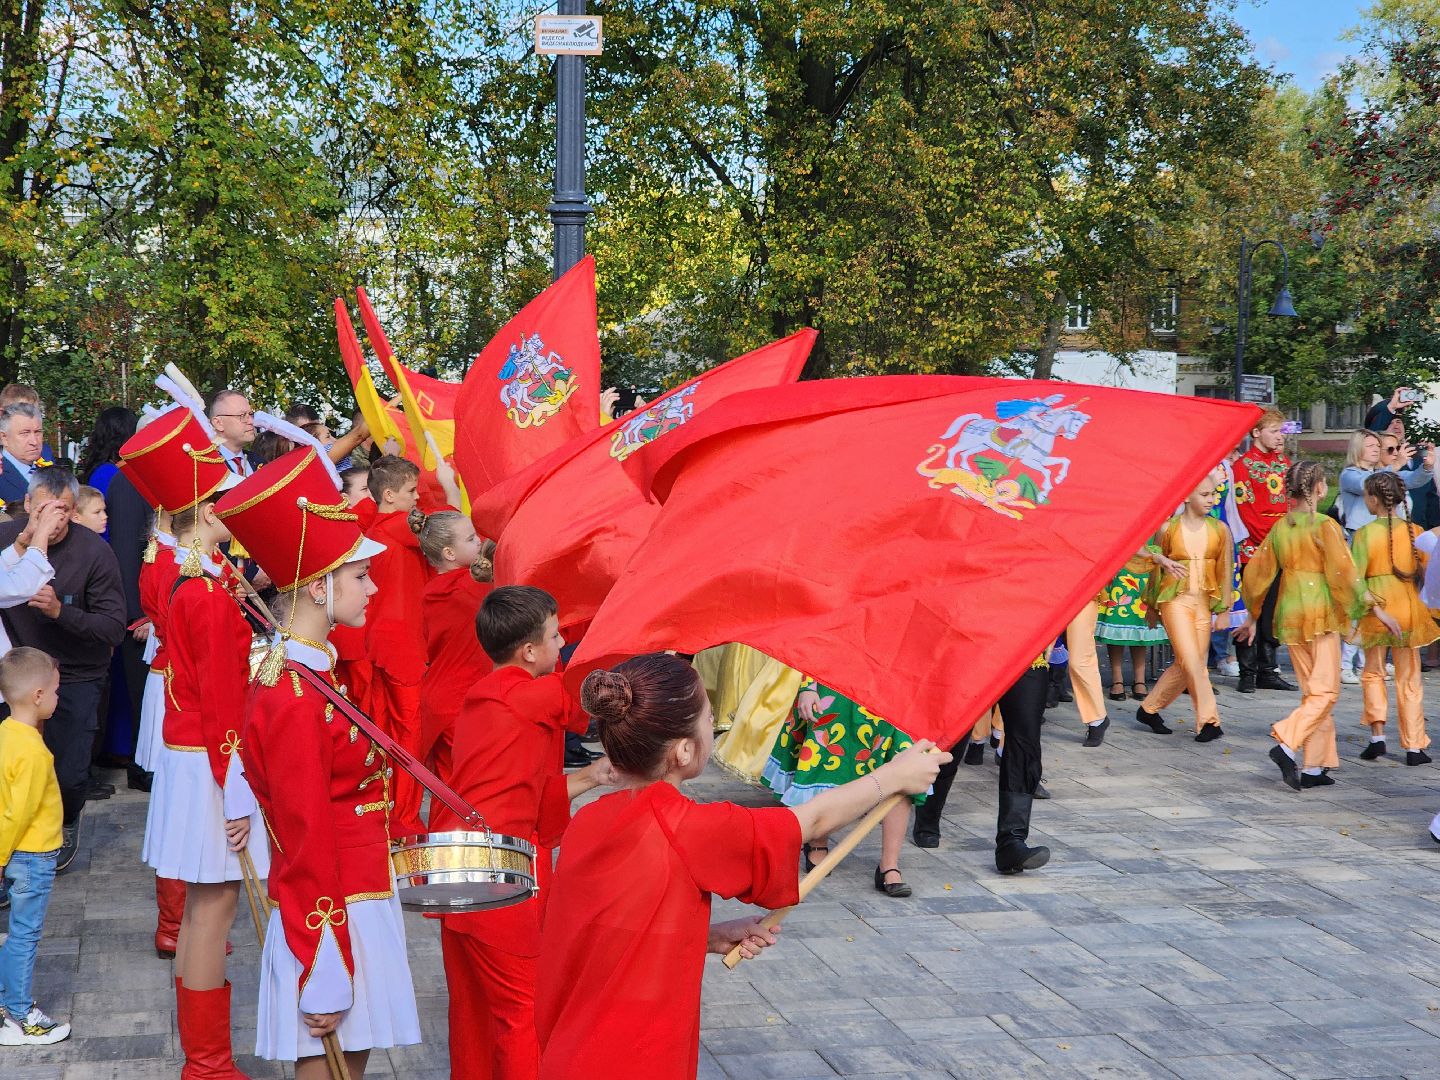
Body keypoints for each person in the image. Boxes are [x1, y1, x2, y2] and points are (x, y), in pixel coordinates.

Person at [534, 653, 946, 1079]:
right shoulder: (688, 826)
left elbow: (607, 933)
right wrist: (892, 777)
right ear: (684, 750)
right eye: (708, 716)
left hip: (572, 1045)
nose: (712, 723)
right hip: (635, 1055)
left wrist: (703, 936)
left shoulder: (589, 821)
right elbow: (810, 822)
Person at [216, 444, 420, 1079]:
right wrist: (321, 958)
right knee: (330, 1064)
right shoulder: (296, 693)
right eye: (360, 576)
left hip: (359, 884)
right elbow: (302, 831)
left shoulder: (311, 672)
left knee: (350, 1059)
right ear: (317, 586)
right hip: (335, 902)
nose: (373, 587)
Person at [117, 404, 265, 1075]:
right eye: (226, 499)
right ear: (205, 512)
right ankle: (207, 1064)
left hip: (199, 755)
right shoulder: (202, 592)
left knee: (211, 907)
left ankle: (205, 1061)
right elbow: (222, 701)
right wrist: (238, 790)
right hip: (211, 759)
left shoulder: (201, 578)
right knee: (213, 910)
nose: (235, 508)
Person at [430, 585, 612, 1080]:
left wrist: (592, 776)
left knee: (472, 1008)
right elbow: (594, 692)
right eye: (555, 637)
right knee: (524, 1012)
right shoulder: (532, 695)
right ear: (529, 651)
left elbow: (517, 793)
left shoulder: (487, 694)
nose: (562, 644)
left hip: (456, 861)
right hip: (496, 868)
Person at [1240, 462, 1400, 791]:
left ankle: (1314, 766)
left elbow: (1257, 574)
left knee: (1313, 693)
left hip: (1290, 612)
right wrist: (1375, 608)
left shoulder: (1282, 526)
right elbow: (1345, 573)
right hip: (1319, 612)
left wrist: (1253, 616)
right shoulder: (1324, 525)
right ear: (1319, 489)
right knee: (1325, 691)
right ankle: (1287, 740)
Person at [0, 468, 124, 871]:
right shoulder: (10, 539)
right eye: (42, 511)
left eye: (62, 512)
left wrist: (60, 612)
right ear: (27, 506)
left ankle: (68, 819)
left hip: (73, 674)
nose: (51, 522)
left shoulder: (94, 552)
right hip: (16, 678)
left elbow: (112, 627)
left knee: (69, 773)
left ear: (73, 512)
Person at [363, 454, 461, 835]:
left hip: (381, 646)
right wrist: (449, 488)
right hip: (405, 651)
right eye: (410, 491)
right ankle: (403, 820)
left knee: (389, 735)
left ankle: (391, 813)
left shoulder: (376, 527)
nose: (417, 497)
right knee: (409, 739)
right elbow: (451, 534)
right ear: (389, 495)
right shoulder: (400, 525)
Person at [762, 682, 922, 896]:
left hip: (894, 687)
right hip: (837, 685)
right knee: (825, 764)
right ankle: (817, 842)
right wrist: (808, 687)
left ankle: (889, 865)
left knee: (903, 767)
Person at [0, 648, 70, 1046]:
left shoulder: (6, 733)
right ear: (38, 695)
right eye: (56, 690)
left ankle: (6, 1003)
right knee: (25, 935)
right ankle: (20, 1014)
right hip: (32, 856)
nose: (59, 697)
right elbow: (19, 812)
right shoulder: (32, 750)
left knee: (16, 934)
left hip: (18, 854)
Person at [1350, 471, 1440, 765]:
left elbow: (1355, 579)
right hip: (1409, 609)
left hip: (1379, 608)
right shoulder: (1416, 530)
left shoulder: (1364, 534)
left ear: (1374, 500)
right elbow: (1429, 572)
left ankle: (1377, 737)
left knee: (1373, 672)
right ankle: (1414, 745)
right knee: (1409, 677)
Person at [1135, 477, 1235, 741]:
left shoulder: (1220, 529)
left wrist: (1224, 610)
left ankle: (1149, 709)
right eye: (1205, 494)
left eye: (1213, 494)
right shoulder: (1168, 528)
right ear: (1187, 496)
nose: (1211, 500)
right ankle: (1210, 721)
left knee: (1187, 663)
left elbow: (1226, 570)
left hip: (1203, 602)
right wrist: (1151, 605)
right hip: (1175, 600)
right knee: (1193, 662)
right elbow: (1156, 568)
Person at [416, 511, 493, 776]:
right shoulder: (465, 590)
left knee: (453, 786)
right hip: (461, 701)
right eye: (470, 539)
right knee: (468, 785)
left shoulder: (435, 589)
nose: (479, 541)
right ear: (449, 553)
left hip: (446, 697)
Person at [1232, 408, 1299, 694]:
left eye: (1281, 431)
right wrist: (1270, 541)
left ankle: (1268, 669)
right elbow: (1245, 509)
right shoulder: (1243, 466)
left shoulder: (1285, 464)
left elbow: (1292, 503)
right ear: (1256, 432)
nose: (1279, 436)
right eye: (1274, 431)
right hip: (1253, 548)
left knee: (1272, 609)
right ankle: (1247, 672)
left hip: (1279, 546)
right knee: (1249, 609)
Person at [1095, 552, 1166, 701]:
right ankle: (1117, 679)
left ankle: (1140, 680)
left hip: (1147, 566)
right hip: (1120, 564)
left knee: (1140, 625)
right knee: (1116, 623)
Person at [1206, 451, 1249, 678]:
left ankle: (1223, 654)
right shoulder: (1191, 460)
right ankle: (1196, 657)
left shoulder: (1225, 466)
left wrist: (1236, 541)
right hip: (1198, 532)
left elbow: (1230, 507)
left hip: (1223, 532)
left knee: (1225, 593)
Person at [0, 404, 47, 512]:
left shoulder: (51, 473)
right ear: (4, 438)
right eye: (25, 433)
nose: (34, 442)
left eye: (37, 432)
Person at [207, 390, 256, 477]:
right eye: (242, 415)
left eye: (251, 414)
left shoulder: (259, 461)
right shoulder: (205, 464)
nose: (251, 421)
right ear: (218, 423)